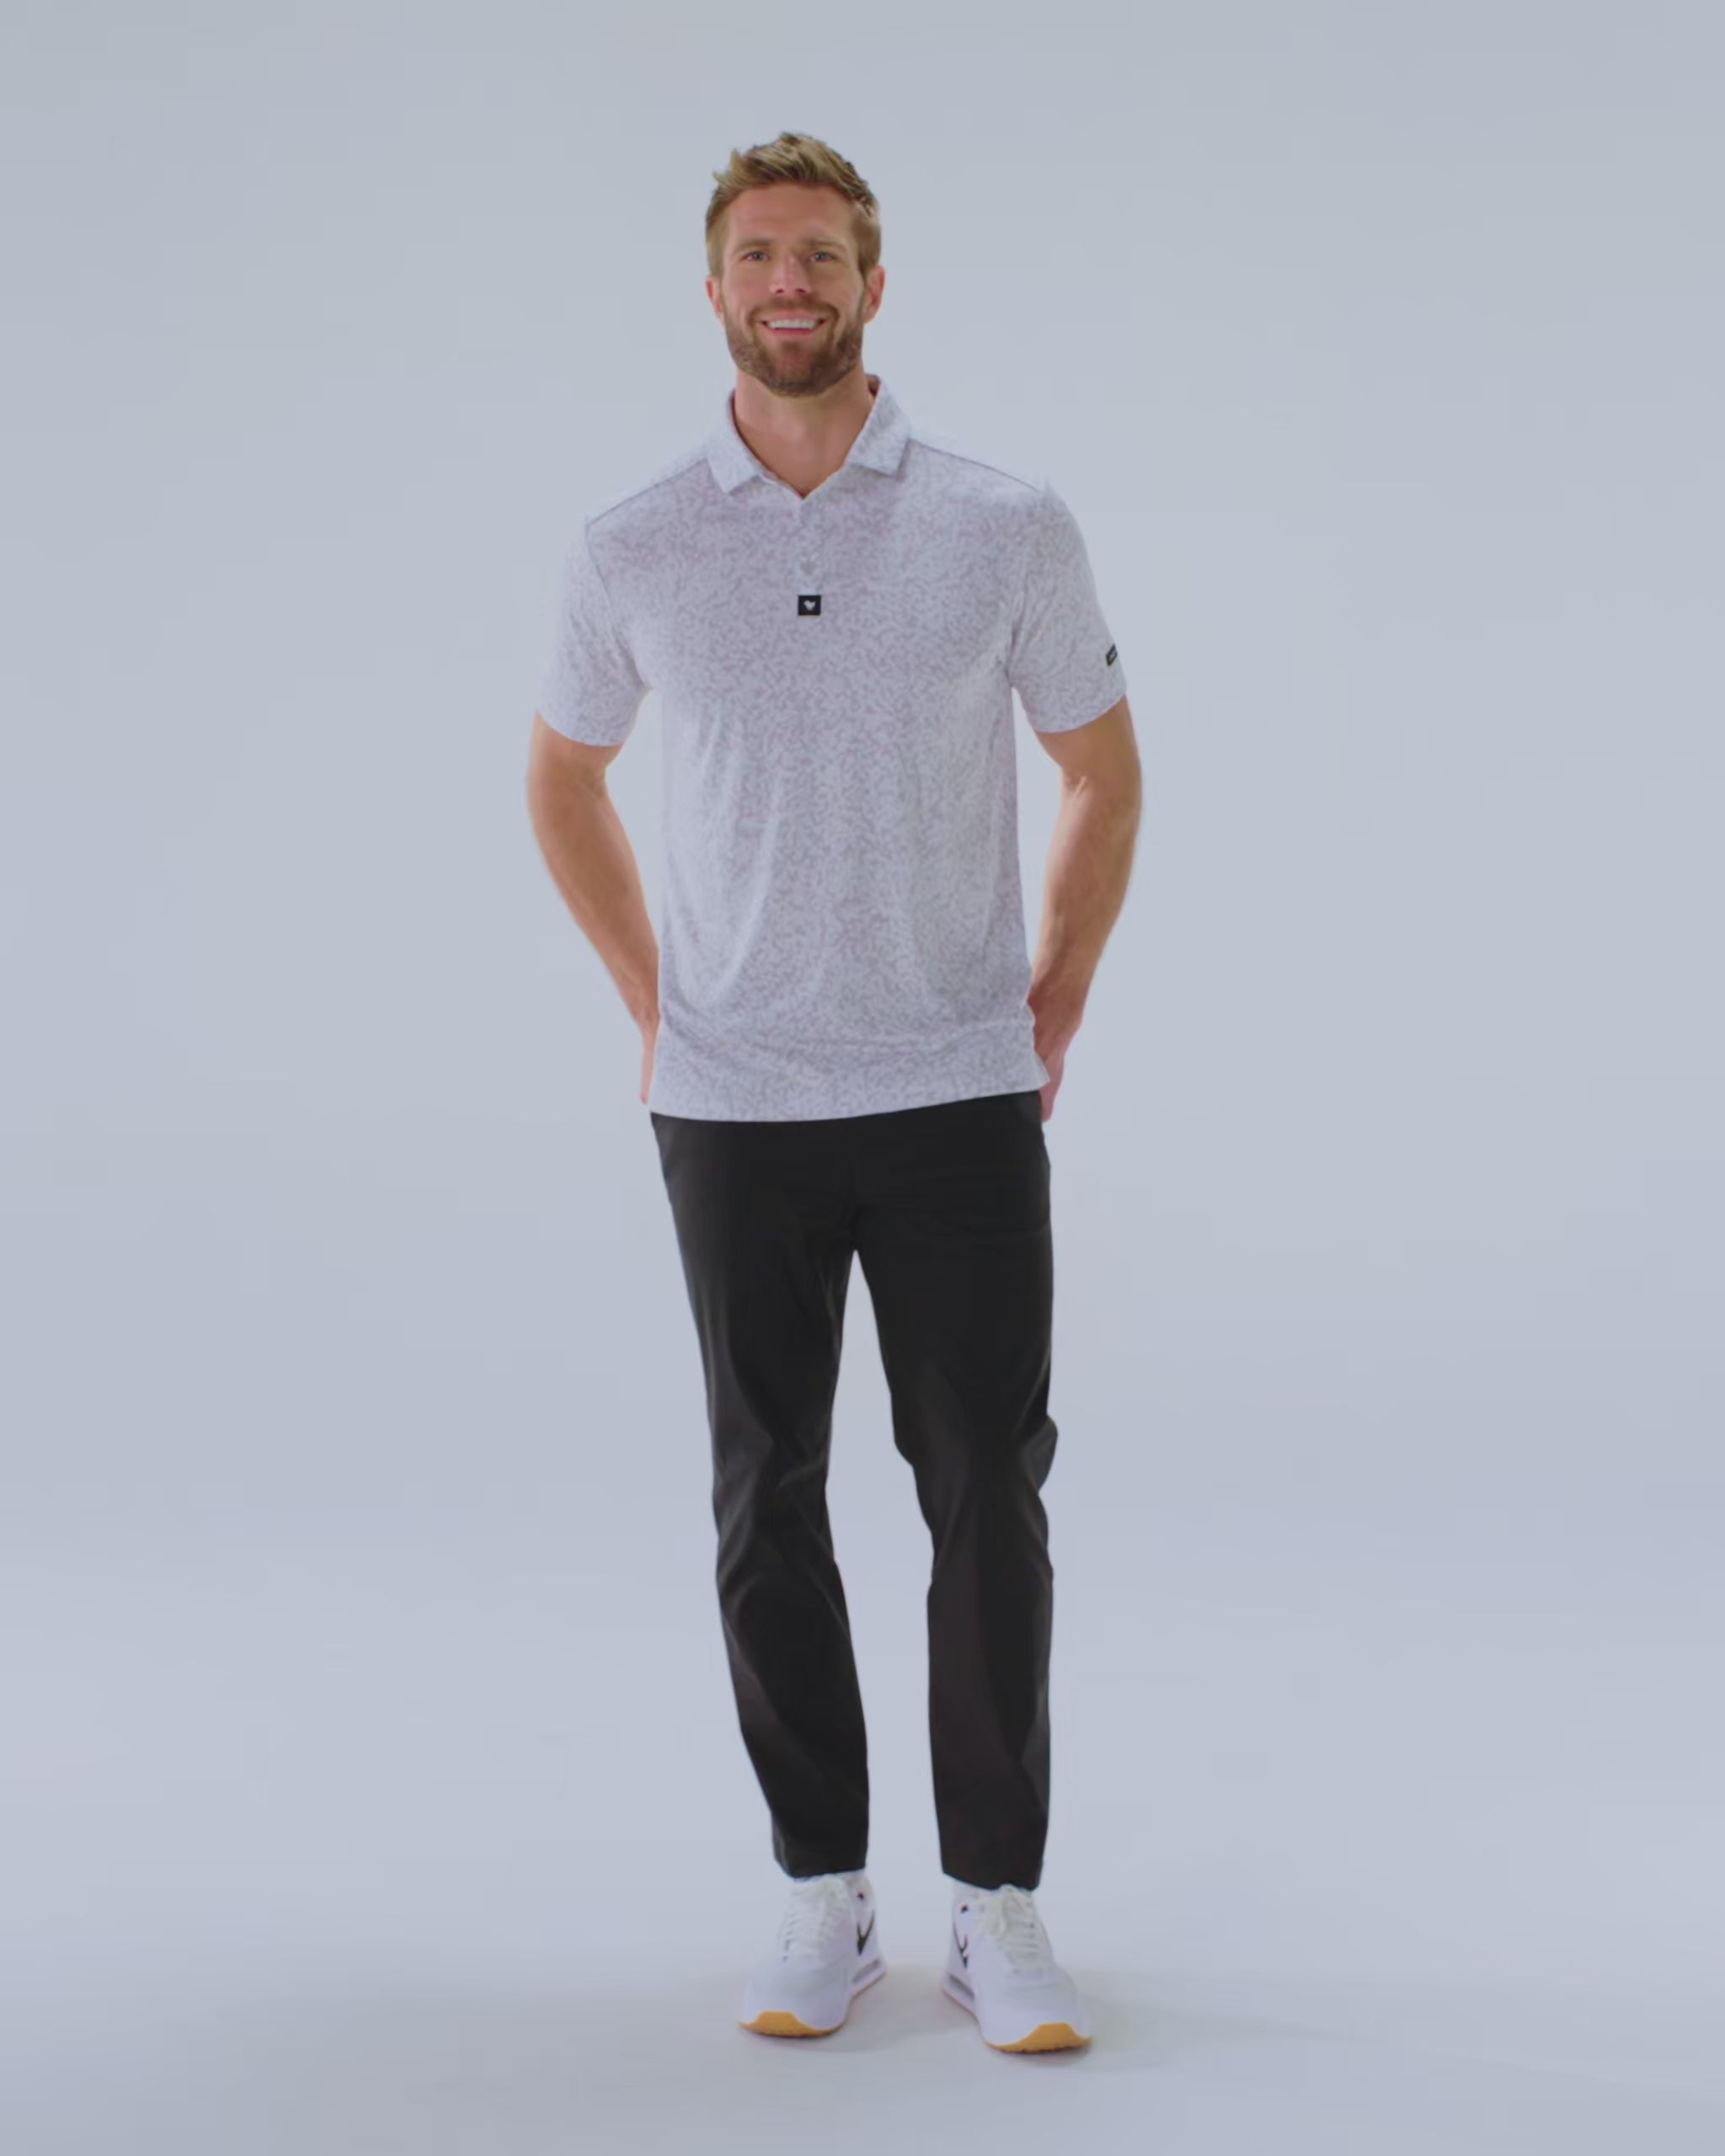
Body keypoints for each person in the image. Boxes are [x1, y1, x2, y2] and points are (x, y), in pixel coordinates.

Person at [526, 131, 1140, 2054]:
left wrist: (1055, 995)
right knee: (763, 1491)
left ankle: (997, 1903)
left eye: (821, 254)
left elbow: (1102, 769)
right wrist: (655, 999)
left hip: (955, 1086)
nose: (788, 282)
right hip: (733, 1103)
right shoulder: (633, 542)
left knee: (988, 1492)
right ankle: (822, 1886)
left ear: (876, 284)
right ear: (714, 287)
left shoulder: (1002, 521)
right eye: (757, 254)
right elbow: (560, 776)